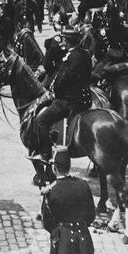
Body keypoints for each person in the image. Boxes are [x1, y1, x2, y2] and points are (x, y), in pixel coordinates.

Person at [32, 28, 92, 182]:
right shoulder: (84, 54)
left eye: (64, 39)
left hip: (69, 101)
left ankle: (45, 154)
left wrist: (54, 90)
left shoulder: (71, 57)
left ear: (66, 41)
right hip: (84, 98)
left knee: (41, 121)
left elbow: (64, 78)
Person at [41, 147, 98, 254]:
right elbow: (91, 214)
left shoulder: (51, 192)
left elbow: (47, 222)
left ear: (54, 168)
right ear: (69, 165)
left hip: (62, 242)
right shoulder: (83, 185)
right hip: (84, 239)